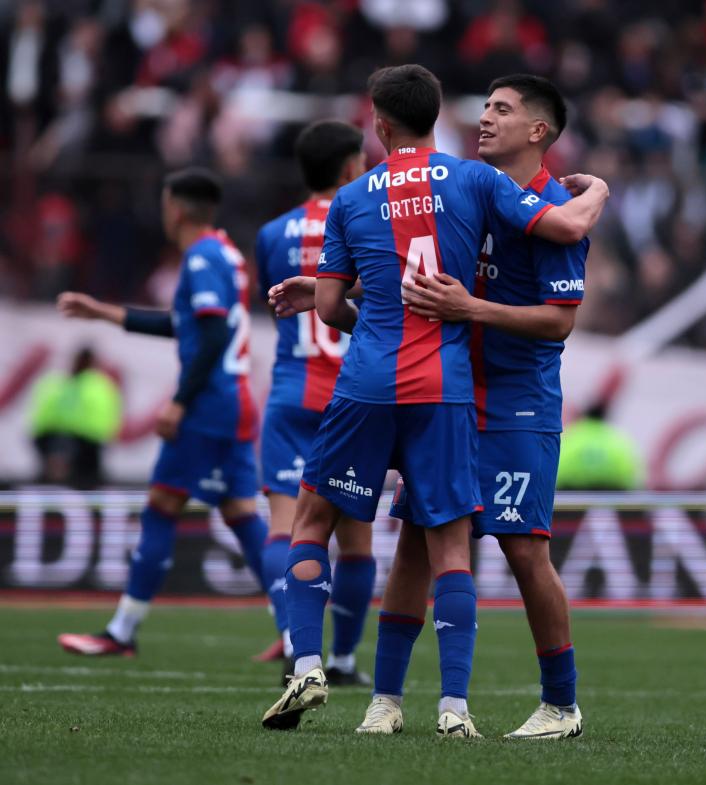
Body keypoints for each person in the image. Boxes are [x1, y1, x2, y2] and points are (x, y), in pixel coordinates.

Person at [258, 64, 608, 737]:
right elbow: (405, 269)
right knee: (417, 541)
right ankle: (387, 700)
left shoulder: (545, 202)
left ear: (539, 129)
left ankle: (561, 703)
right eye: (483, 106)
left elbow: (561, 321)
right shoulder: (476, 188)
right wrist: (342, 285)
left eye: (502, 109)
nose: (485, 118)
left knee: (522, 547)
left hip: (515, 402)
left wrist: (468, 304)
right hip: (448, 391)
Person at [55, 168, 269, 656]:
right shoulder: (225, 253)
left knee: (160, 507)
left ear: (174, 206)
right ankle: (293, 629)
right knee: (240, 514)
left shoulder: (200, 258)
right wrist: (105, 312)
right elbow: (190, 326)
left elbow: (211, 336)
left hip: (208, 405)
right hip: (232, 401)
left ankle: (123, 631)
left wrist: (179, 401)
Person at [252, 120, 375, 686]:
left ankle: (291, 640)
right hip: (350, 398)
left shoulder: (273, 233)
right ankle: (345, 659)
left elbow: (273, 301)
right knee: (354, 537)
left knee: (286, 528)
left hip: (289, 396)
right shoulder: (366, 217)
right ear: (351, 165)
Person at [27, 346, 122, 488]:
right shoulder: (100, 386)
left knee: (83, 476)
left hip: (84, 440)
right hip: (67, 438)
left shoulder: (61, 382)